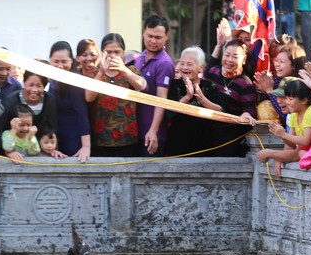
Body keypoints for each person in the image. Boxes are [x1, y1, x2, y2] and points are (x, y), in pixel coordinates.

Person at [85, 33, 146, 157]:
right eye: (109, 52)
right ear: (102, 54)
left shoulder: (131, 71)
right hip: (100, 139)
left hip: (127, 139)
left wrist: (123, 70)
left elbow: (143, 86)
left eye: (117, 52)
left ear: (123, 53)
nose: (113, 56)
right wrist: (101, 72)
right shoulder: (93, 73)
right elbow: (89, 97)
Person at [166, 46, 222, 156]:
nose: (184, 67)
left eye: (189, 64)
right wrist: (187, 97)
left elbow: (221, 111)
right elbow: (168, 113)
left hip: (204, 147)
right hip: (177, 146)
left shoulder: (209, 86)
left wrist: (202, 99)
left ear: (200, 68)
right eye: (182, 63)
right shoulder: (174, 85)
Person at [206, 39, 257, 156]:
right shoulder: (213, 71)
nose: (229, 60)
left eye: (235, 57)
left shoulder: (245, 83)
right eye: (227, 55)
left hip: (228, 137)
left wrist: (247, 115)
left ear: (244, 60)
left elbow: (250, 110)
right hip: (206, 131)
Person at [134, 15, 176, 157]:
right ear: (143, 33)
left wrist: (154, 130)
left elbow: (161, 100)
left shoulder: (164, 63)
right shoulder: (139, 58)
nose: (152, 41)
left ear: (166, 36)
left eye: (158, 37)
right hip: (134, 131)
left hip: (151, 134)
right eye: (149, 36)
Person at [48, 40, 91, 162]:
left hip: (74, 139)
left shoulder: (76, 82)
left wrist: (85, 147)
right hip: (55, 141)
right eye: (56, 62)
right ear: (50, 61)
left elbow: (82, 114)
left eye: (64, 61)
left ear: (72, 61)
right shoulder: (51, 82)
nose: (60, 66)